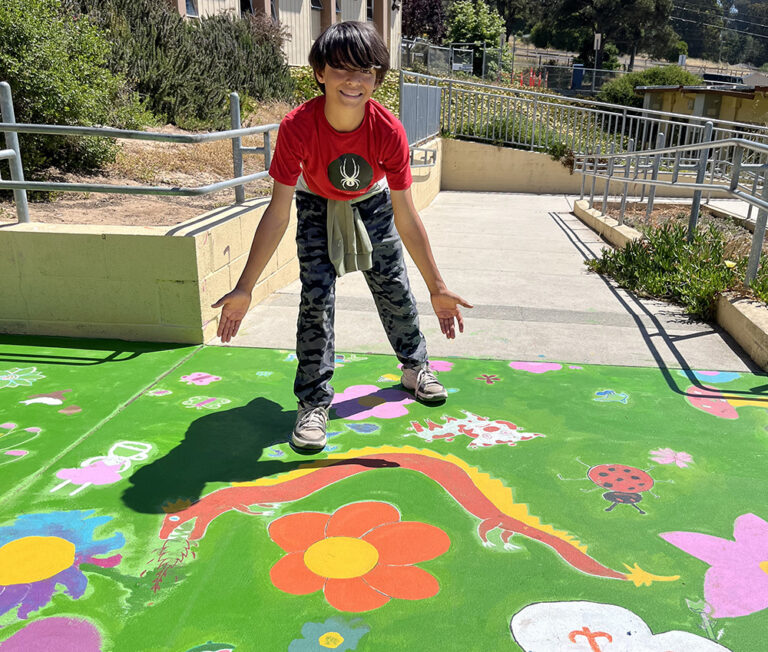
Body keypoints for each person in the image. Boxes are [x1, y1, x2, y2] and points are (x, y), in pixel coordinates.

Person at [212, 21, 471, 452]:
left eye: (365, 70)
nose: (353, 80)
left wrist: (437, 286)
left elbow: (406, 216)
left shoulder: (388, 130)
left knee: (395, 290)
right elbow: (277, 213)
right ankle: (313, 404)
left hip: (372, 204)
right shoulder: (298, 126)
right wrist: (244, 286)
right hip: (315, 205)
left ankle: (415, 367)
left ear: (376, 78)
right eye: (341, 69)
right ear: (320, 73)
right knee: (316, 300)